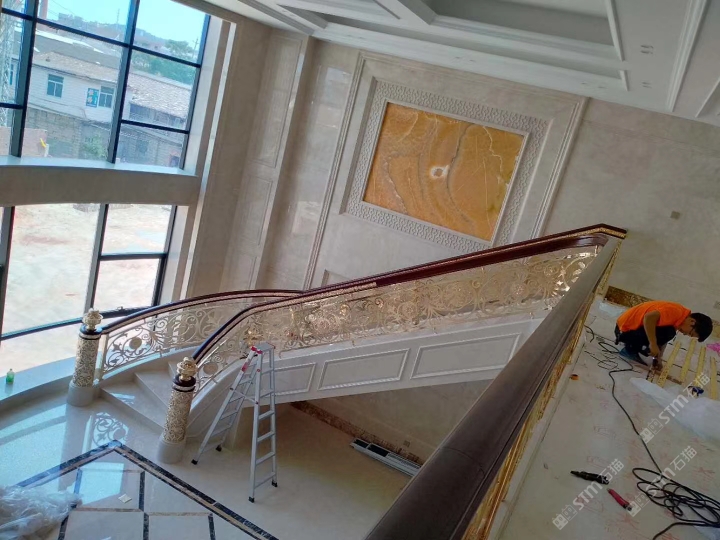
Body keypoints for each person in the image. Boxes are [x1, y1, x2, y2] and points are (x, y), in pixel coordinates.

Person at [615, 300, 713, 364]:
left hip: (628, 329)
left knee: (668, 333)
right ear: (692, 322)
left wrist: (658, 359)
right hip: (624, 329)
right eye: (689, 333)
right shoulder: (676, 312)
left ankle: (632, 345)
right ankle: (630, 349)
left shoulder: (679, 317)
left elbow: (663, 340)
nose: (684, 334)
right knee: (669, 332)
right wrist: (653, 344)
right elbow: (648, 318)